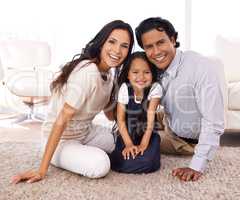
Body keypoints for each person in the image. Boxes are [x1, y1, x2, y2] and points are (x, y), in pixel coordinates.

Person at [11, 20, 134, 184]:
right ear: (102, 42)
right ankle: (71, 155)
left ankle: (82, 153)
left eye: (124, 46)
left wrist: (130, 99)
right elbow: (61, 119)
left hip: (86, 132)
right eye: (112, 42)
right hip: (61, 138)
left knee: (124, 141)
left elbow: (110, 115)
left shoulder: (110, 75)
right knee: (100, 164)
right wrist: (42, 170)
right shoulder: (87, 71)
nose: (117, 50)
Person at [135, 17, 225, 181]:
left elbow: (213, 121)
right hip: (171, 117)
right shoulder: (154, 67)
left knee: (137, 142)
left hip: (185, 140)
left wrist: (196, 166)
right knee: (131, 120)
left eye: (161, 43)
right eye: (149, 47)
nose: (156, 52)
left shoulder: (201, 67)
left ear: (173, 39)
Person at [109, 51, 162, 173]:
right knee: (120, 161)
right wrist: (128, 144)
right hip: (127, 135)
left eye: (147, 72)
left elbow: (150, 120)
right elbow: (121, 120)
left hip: (148, 135)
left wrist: (144, 144)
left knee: (149, 163)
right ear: (128, 74)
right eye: (135, 72)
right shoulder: (124, 89)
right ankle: (122, 160)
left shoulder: (155, 88)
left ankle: (143, 159)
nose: (141, 77)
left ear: (152, 74)